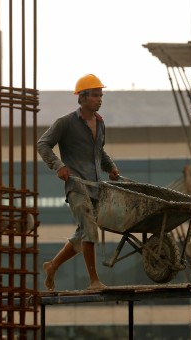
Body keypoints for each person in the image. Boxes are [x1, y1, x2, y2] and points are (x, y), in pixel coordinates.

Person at [37, 74, 120, 291]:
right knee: (90, 230)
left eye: (101, 95)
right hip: (76, 186)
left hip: (95, 187)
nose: (99, 99)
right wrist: (58, 166)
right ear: (81, 98)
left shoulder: (100, 123)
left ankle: (52, 266)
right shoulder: (65, 123)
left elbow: (99, 152)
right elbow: (43, 144)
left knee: (82, 233)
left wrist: (110, 167)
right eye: (94, 95)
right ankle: (93, 281)